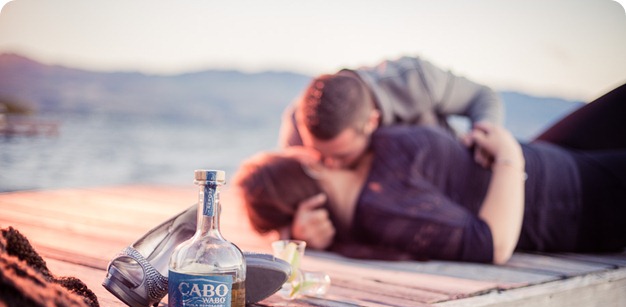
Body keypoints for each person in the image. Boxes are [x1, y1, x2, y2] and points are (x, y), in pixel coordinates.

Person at [234, 84, 626, 265]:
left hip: (553, 159)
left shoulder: (369, 152)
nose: (302, 144)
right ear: (308, 164)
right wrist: (510, 160)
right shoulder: (384, 211)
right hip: (578, 199)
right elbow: (491, 246)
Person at [279, 56, 505, 250]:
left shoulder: (415, 79)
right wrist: (293, 229)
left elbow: (482, 96)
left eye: (341, 156)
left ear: (372, 121)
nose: (329, 166)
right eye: (318, 155)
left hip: (464, 195)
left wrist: (484, 134)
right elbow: (281, 194)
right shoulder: (298, 123)